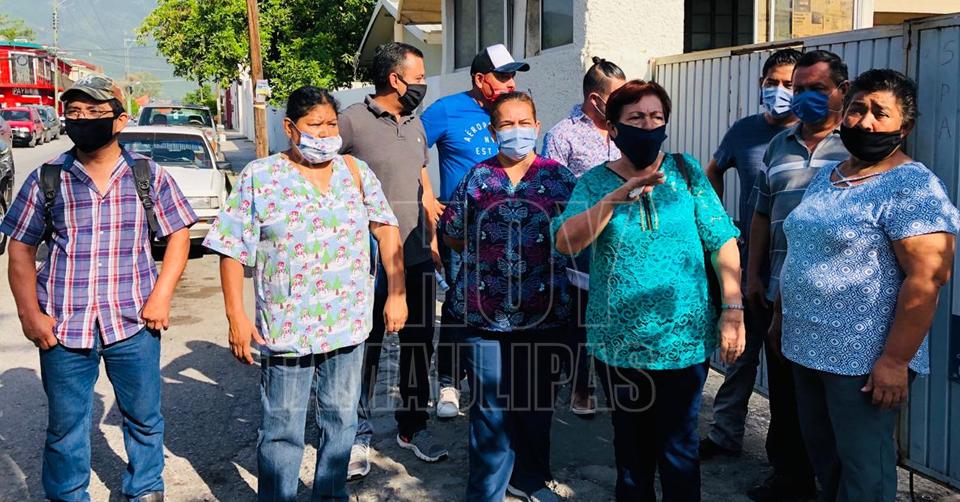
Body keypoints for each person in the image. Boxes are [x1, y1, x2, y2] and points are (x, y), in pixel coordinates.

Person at [202, 86, 407, 501]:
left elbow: (386, 228)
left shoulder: (354, 171)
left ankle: (330, 495)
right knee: (282, 428)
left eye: (331, 124)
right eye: (315, 125)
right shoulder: (260, 176)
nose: (326, 133)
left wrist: (396, 292)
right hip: (287, 328)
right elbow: (230, 248)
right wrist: (236, 317)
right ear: (290, 128)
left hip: (348, 323)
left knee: (342, 422)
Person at [0, 74, 196, 502]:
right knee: (66, 426)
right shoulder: (47, 178)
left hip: (133, 321)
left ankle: (145, 488)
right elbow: (20, 249)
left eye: (94, 111)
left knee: (143, 417)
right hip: (64, 326)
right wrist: (30, 315)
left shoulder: (147, 175)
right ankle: (69, 494)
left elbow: (179, 234)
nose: (82, 119)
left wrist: (162, 295)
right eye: (74, 112)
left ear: (119, 120)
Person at [554, 79, 745, 502]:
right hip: (619, 343)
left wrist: (733, 309)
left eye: (657, 117)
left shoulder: (686, 171)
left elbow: (722, 240)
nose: (648, 125)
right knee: (632, 450)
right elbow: (566, 242)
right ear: (614, 127)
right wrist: (613, 200)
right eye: (636, 117)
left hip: (683, 339)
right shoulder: (594, 182)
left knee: (679, 449)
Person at [779, 69, 960, 502]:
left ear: (905, 126)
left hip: (862, 359)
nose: (865, 122)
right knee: (826, 462)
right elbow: (805, 250)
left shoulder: (913, 186)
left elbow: (928, 277)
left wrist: (895, 361)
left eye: (881, 112)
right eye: (858, 109)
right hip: (806, 346)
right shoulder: (830, 175)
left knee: (865, 473)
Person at [441, 92, 575, 502]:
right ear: (492, 130)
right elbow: (454, 233)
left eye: (524, 123)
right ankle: (486, 491)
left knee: (535, 405)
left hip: (544, 313)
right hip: (483, 314)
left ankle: (530, 479)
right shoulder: (478, 177)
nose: (517, 131)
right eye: (507, 124)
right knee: (490, 409)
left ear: (537, 126)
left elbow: (576, 236)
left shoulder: (560, 178)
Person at [700, 47, 809, 497]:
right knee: (739, 355)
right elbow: (712, 171)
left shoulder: (819, 138)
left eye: (789, 84)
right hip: (749, 262)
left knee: (789, 369)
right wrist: (722, 225)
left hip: (798, 270)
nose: (779, 91)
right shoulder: (744, 131)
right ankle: (725, 434)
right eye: (772, 82)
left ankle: (789, 461)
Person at [337, 42, 447, 479]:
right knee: (365, 347)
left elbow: (423, 182)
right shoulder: (351, 121)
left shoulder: (416, 123)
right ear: (395, 79)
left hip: (415, 253)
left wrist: (432, 240)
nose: (423, 84)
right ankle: (356, 434)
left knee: (419, 345)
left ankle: (412, 426)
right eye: (418, 77)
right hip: (366, 261)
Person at [746, 49, 851, 500]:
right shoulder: (779, 145)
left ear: (842, 91)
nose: (803, 97)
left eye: (816, 89)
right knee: (786, 396)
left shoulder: (857, 145)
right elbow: (761, 213)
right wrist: (754, 275)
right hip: (779, 293)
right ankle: (789, 477)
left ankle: (836, 484)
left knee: (833, 403)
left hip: (837, 298)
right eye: (798, 88)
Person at [421, 43, 529, 418]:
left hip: (511, 228)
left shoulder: (512, 111)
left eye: (512, 76)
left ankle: (494, 378)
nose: (510, 83)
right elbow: (412, 151)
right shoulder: (447, 110)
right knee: (458, 305)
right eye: (503, 76)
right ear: (480, 79)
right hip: (462, 227)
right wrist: (427, 196)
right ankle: (449, 383)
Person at [541, 56, 626, 416]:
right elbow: (551, 194)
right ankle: (581, 387)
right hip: (582, 243)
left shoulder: (624, 130)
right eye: (618, 97)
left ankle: (619, 381)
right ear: (595, 98)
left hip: (623, 241)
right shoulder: (563, 135)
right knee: (582, 317)